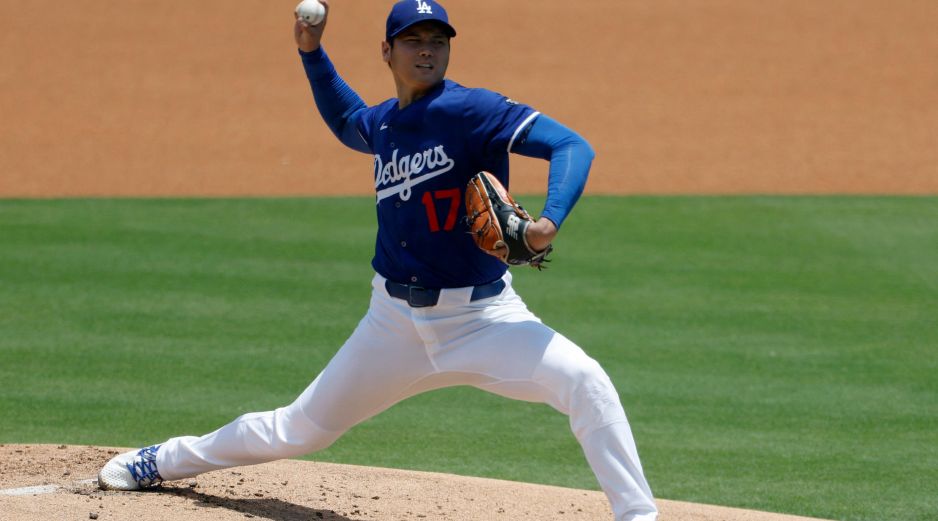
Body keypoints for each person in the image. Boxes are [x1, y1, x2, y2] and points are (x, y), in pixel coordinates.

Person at [97, 1, 658, 519]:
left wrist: (547, 224)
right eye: (412, 40)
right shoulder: (385, 122)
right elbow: (349, 122)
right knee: (298, 429)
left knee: (586, 381)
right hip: (392, 324)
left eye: (437, 40)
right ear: (387, 52)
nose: (426, 50)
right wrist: (311, 53)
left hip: (485, 320)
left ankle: (639, 515)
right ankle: (164, 460)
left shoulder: (473, 109)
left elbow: (572, 146)